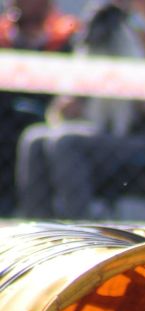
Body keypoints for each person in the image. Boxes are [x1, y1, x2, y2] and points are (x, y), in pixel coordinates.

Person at [16, 0, 145, 218]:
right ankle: (41, 233)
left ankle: (78, 232)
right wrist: (75, 105)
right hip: (110, 140)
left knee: (66, 142)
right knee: (36, 140)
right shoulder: (112, 36)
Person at [0, 0, 80, 215]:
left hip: (48, 120)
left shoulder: (67, 39)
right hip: (5, 125)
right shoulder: (3, 39)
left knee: (39, 140)